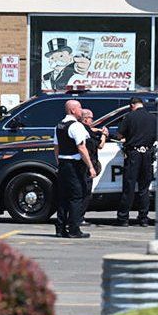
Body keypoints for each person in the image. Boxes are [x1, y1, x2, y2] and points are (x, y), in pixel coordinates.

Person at [53, 100, 96, 238]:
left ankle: (60, 228)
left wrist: (59, 162)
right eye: (79, 108)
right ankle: (74, 229)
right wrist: (90, 166)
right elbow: (82, 148)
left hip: (64, 164)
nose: (81, 110)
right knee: (77, 197)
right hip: (74, 165)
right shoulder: (76, 126)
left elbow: (56, 147)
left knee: (63, 197)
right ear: (72, 110)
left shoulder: (59, 125)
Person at [116, 97, 156, 226]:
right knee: (144, 188)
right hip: (148, 154)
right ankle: (143, 218)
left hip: (133, 154)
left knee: (129, 186)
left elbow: (119, 135)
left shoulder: (129, 117)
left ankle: (123, 218)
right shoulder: (153, 118)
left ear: (132, 105)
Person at [79, 108, 107, 216]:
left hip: (78, 165)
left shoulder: (78, 128)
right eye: (91, 118)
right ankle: (80, 218)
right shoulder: (88, 133)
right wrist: (104, 134)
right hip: (87, 165)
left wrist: (98, 130)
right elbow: (100, 145)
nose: (92, 121)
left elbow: (91, 130)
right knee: (86, 193)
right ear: (86, 120)